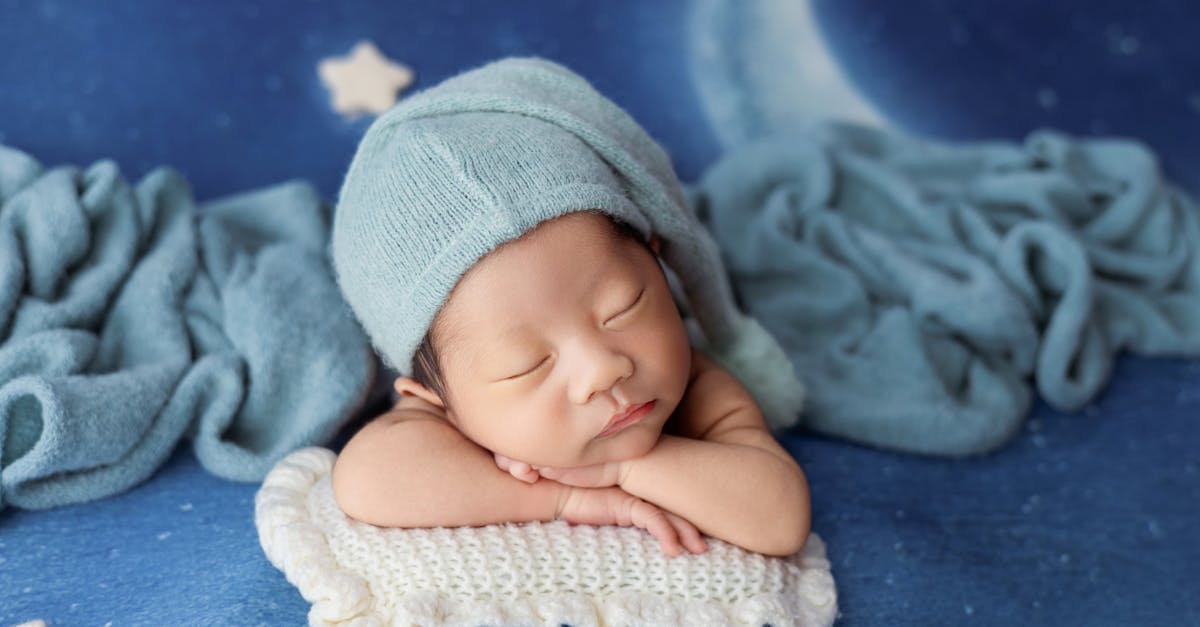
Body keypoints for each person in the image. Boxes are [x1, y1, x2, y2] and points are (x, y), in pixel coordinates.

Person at [328, 57, 810, 557]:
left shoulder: (694, 387)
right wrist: (568, 497)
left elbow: (779, 518)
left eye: (623, 309)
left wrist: (621, 469)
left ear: (657, 261)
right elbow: (365, 480)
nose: (603, 369)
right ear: (436, 400)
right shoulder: (444, 417)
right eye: (528, 365)